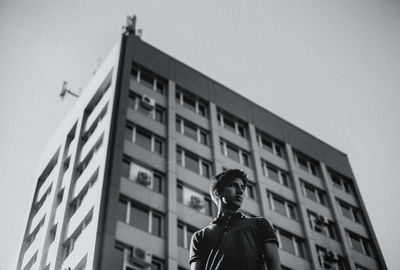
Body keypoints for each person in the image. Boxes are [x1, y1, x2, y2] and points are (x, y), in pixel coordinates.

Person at [189, 169, 282, 270]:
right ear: (218, 193)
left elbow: (273, 262)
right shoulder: (200, 236)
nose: (240, 191)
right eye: (233, 185)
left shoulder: (260, 224)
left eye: (242, 187)